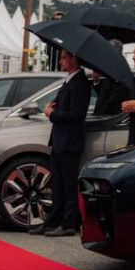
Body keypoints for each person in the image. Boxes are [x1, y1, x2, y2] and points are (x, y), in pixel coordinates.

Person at [30, 48, 91, 237]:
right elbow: (59, 105)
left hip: (69, 142)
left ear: (73, 59)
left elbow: (76, 115)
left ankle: (69, 224)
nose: (60, 62)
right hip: (59, 141)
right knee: (56, 184)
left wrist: (52, 114)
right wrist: (50, 107)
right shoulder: (68, 82)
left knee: (68, 185)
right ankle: (52, 221)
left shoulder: (80, 83)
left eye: (64, 58)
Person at [92, 40, 131, 116]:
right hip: (101, 117)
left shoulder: (122, 72)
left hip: (108, 119)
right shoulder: (109, 70)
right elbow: (103, 93)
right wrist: (97, 80)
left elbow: (112, 100)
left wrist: (99, 114)